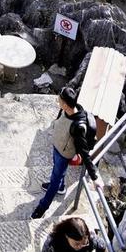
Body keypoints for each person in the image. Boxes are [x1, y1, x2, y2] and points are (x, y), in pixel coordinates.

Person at [31, 87, 103, 219]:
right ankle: (61, 187)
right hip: (57, 147)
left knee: (54, 180)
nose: (57, 100)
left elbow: (85, 153)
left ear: (65, 103)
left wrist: (95, 177)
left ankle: (42, 207)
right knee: (57, 173)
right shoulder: (64, 110)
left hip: (64, 155)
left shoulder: (79, 126)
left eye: (59, 99)